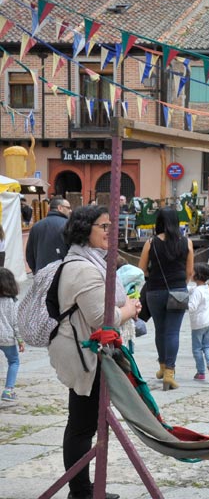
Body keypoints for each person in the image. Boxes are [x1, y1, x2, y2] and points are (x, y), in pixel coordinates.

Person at [50, 205, 141, 499]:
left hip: (87, 349)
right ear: (84, 229)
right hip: (84, 353)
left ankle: (84, 488)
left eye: (110, 226)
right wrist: (129, 309)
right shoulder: (83, 267)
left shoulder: (90, 261)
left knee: (84, 422)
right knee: (82, 424)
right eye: (103, 226)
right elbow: (104, 318)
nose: (109, 231)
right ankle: (80, 491)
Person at [138, 207, 194, 391]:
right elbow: (189, 272)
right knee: (172, 332)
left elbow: (142, 269)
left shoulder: (150, 243)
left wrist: (152, 276)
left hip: (154, 291)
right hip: (177, 290)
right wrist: (180, 282)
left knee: (160, 331)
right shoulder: (186, 243)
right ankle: (170, 372)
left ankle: (162, 366)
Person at [188, 262, 209, 383]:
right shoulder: (205, 288)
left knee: (197, 349)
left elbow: (192, 307)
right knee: (208, 346)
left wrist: (181, 304)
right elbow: (190, 289)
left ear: (197, 276)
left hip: (198, 324)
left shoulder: (196, 292)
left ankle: (201, 372)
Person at [26, 196, 72, 272]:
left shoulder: (36, 226)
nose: (70, 210)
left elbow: (29, 254)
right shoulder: (68, 225)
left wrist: (35, 271)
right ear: (60, 208)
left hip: (41, 272)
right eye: (68, 208)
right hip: (62, 272)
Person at [0, 267, 23, 402]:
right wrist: (20, 340)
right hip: (7, 338)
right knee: (14, 361)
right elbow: (16, 323)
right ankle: (8, 391)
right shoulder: (13, 302)